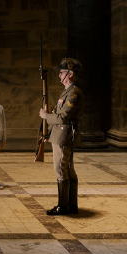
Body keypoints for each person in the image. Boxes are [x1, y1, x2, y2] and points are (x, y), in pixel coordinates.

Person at [38, 58, 85, 215]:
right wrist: (47, 132)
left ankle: (63, 206)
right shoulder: (68, 91)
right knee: (67, 168)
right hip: (60, 134)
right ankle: (71, 205)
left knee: (61, 169)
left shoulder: (74, 93)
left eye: (61, 73)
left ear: (70, 74)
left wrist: (45, 117)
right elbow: (58, 115)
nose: (59, 76)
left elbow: (62, 118)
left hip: (64, 135)